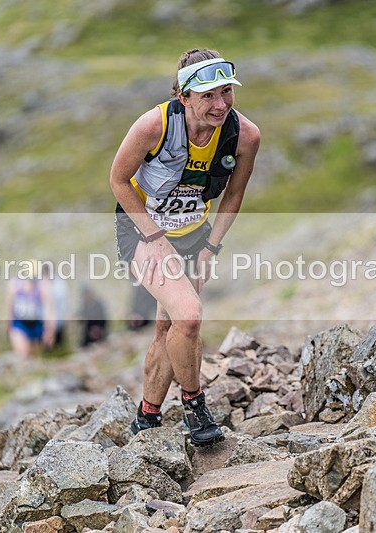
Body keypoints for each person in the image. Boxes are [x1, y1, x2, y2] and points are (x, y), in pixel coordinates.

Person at [110, 49, 260, 446]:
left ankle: (146, 420)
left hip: (195, 234)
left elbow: (232, 197)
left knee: (171, 326)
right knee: (190, 317)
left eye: (226, 92)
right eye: (208, 95)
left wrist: (211, 247)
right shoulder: (152, 127)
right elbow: (118, 181)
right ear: (184, 97)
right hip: (141, 230)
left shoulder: (245, 135)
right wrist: (155, 239)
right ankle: (195, 406)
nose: (220, 104)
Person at [6, 268, 55, 358]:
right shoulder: (16, 284)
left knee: (32, 354)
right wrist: (8, 323)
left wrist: (49, 329)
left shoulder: (41, 285)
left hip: (35, 323)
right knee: (21, 353)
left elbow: (49, 308)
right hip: (19, 322)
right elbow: (10, 305)